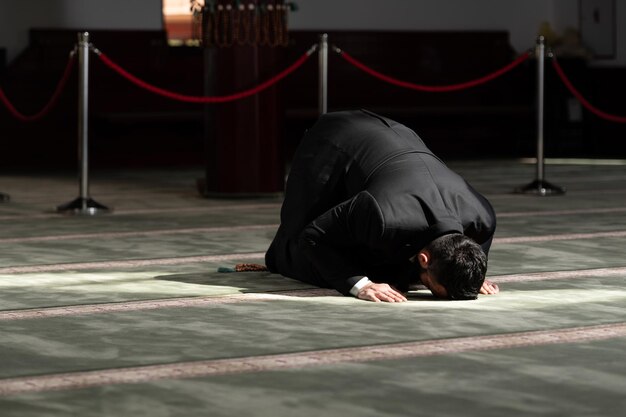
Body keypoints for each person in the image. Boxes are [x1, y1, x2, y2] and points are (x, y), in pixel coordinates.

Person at [265, 109, 499, 303]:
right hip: (335, 142)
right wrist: (360, 285)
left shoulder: (482, 217)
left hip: (397, 140)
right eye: (433, 289)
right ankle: (278, 256)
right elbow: (314, 236)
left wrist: (472, 278)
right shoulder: (381, 215)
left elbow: (471, 255)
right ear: (424, 259)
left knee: (392, 273)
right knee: (300, 233)